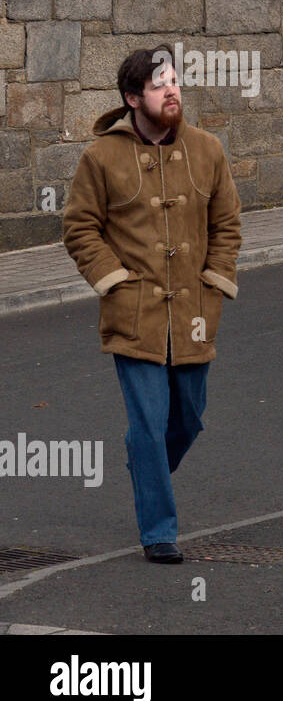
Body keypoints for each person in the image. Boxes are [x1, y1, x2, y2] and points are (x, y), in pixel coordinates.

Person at [63, 47, 241, 563]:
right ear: (133, 98)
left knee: (189, 418)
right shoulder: (101, 157)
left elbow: (227, 224)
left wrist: (216, 279)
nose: (172, 90)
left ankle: (147, 466)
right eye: (160, 84)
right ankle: (159, 532)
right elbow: (79, 226)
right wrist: (113, 280)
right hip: (132, 313)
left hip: (195, 313)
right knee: (147, 422)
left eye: (175, 81)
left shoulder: (208, 150)